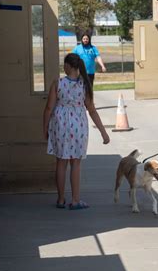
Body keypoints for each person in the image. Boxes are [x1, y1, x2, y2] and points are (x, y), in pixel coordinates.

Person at [43, 53, 110, 210]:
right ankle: (75, 200)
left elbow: (48, 108)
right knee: (76, 163)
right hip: (78, 125)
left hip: (59, 125)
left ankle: (60, 199)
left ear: (68, 66)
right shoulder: (84, 85)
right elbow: (92, 110)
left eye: (64, 65)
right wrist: (103, 132)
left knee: (61, 162)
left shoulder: (58, 83)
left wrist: (45, 127)